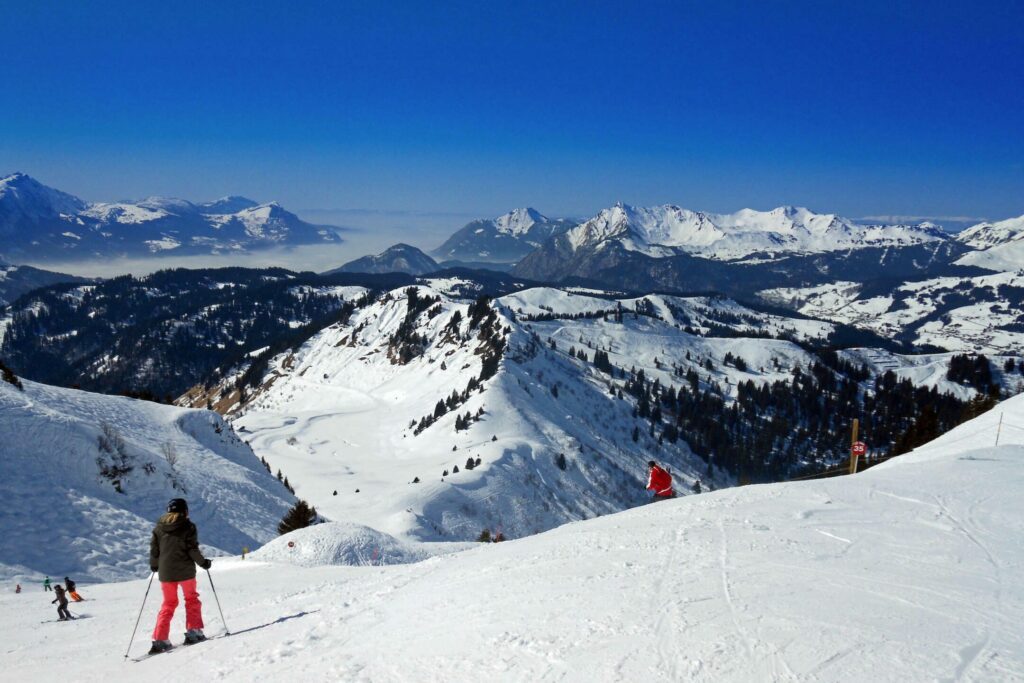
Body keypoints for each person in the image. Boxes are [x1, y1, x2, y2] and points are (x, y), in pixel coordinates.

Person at [148, 498, 212, 655]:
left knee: (168, 603)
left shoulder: (158, 528)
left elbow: (154, 550)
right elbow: (192, 549)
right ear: (185, 511)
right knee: (191, 599)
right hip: (185, 572)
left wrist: (154, 565)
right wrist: (203, 562)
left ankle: (160, 639)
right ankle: (193, 631)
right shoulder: (188, 527)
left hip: (165, 572)